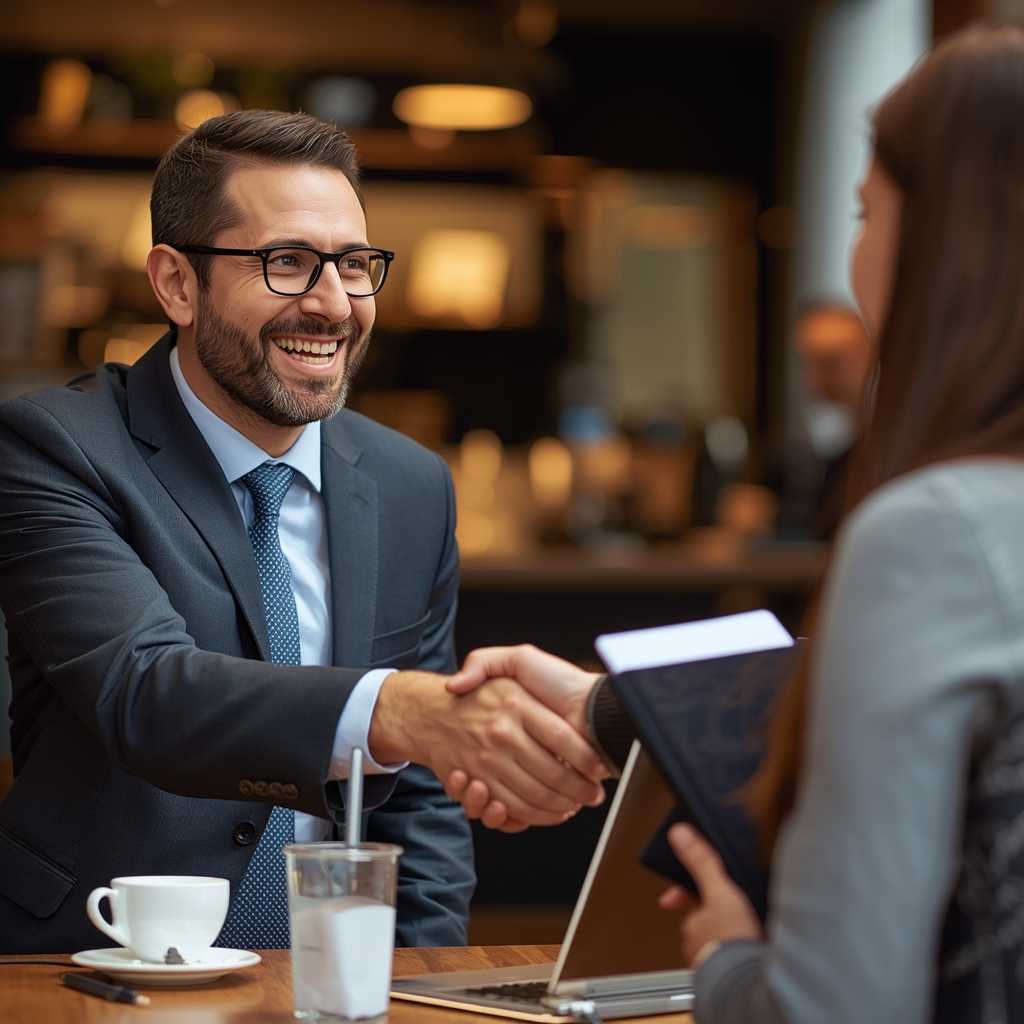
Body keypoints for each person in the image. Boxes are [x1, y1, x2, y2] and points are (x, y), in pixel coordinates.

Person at [444, 25, 1024, 1024]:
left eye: (861, 212)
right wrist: (602, 708)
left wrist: (725, 962)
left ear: (940, 243)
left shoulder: (934, 531)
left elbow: (835, 1008)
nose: (853, 258)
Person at [0, 110, 606, 955]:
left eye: (355, 265)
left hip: (337, 984)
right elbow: (146, 692)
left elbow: (421, 800)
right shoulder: (52, 448)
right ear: (177, 284)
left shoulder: (410, 485)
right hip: (90, 967)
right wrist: (399, 709)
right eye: (287, 264)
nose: (333, 305)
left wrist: (414, 978)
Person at [768, 299, 872, 539]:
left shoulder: (894, 446)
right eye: (807, 364)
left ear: (872, 355)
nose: (813, 382)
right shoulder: (835, 449)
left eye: (830, 363)